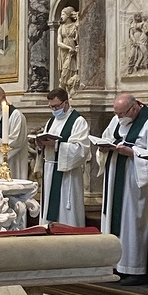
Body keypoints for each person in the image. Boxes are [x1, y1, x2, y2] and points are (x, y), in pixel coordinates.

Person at [98, 93, 148, 284]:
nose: (119, 117)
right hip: (114, 176)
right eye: (116, 113)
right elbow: (106, 137)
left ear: (134, 108)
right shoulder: (117, 119)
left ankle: (134, 269)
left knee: (131, 222)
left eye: (122, 113)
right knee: (112, 218)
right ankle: (113, 265)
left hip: (133, 179)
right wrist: (103, 148)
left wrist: (132, 152)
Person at [35, 88, 90, 226]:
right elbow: (46, 145)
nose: (54, 110)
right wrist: (41, 145)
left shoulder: (78, 121)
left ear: (66, 102)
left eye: (56, 106)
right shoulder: (51, 121)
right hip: (50, 170)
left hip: (67, 175)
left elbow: (81, 149)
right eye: (51, 107)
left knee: (66, 214)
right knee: (49, 208)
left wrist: (57, 145)